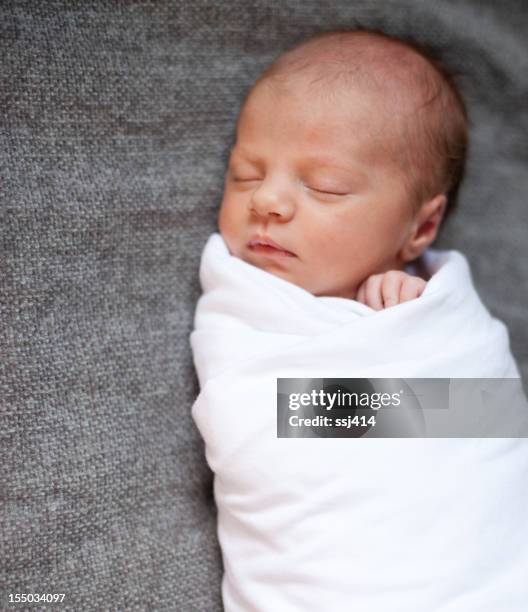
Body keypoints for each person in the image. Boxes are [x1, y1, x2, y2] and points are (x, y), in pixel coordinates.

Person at [218, 27, 467, 310]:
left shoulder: (433, 305)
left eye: (325, 187)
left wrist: (416, 315)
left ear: (422, 227)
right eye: (246, 175)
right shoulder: (226, 276)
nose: (264, 200)